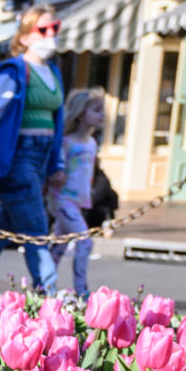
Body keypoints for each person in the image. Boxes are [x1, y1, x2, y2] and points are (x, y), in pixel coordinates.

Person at [0, 5, 66, 293]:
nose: (51, 35)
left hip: (43, 154)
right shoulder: (14, 72)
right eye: (43, 30)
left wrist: (56, 163)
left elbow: (57, 121)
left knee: (5, 225)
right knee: (36, 226)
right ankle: (48, 293)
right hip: (18, 156)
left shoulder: (54, 73)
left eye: (55, 28)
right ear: (24, 37)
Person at [49, 88, 106, 296]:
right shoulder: (67, 142)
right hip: (63, 200)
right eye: (97, 110)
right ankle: (81, 289)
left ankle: (44, 284)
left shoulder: (91, 143)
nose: (102, 115)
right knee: (85, 242)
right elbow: (57, 171)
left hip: (78, 201)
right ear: (81, 114)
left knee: (60, 245)